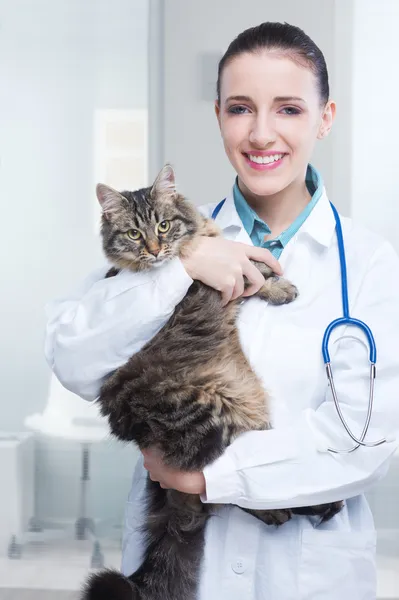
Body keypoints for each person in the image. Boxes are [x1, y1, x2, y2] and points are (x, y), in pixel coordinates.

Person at [45, 21, 399, 600]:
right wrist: (182, 267)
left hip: (306, 576)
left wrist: (203, 477)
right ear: (217, 115)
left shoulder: (368, 262)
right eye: (240, 108)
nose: (262, 134)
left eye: (288, 109)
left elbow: (362, 444)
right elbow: (72, 358)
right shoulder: (169, 237)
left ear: (325, 117)